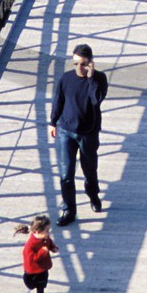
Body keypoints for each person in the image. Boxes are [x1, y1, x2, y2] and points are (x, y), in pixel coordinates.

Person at [49, 43, 108, 225]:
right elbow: (58, 100)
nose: (79, 68)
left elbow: (95, 100)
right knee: (66, 173)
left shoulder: (99, 79)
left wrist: (91, 78)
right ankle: (69, 210)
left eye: (83, 64)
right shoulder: (66, 78)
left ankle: (93, 196)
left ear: (90, 63)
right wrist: (52, 122)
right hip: (66, 131)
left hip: (88, 134)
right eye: (76, 64)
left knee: (89, 170)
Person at [16, 215, 58, 293]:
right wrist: (42, 252)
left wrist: (53, 248)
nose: (49, 232)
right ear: (39, 231)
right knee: (30, 285)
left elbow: (49, 243)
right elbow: (32, 258)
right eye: (47, 230)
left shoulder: (45, 238)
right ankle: (32, 287)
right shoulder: (30, 244)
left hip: (43, 269)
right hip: (31, 271)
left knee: (41, 290)